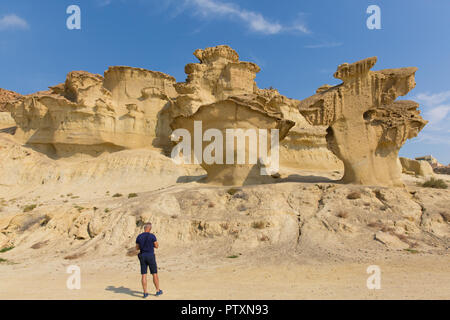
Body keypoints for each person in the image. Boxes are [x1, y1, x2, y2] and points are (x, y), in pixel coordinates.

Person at [135, 223, 162, 298]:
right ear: (150, 229)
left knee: (144, 274)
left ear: (144, 228)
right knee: (154, 273)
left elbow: (137, 248)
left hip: (142, 256)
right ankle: (157, 290)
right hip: (150, 256)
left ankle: (145, 292)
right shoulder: (152, 236)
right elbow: (156, 246)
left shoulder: (139, 236)